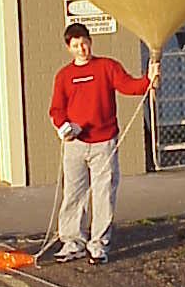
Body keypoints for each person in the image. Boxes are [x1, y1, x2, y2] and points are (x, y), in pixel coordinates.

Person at [49, 22, 160, 265]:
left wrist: (148, 80)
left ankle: (98, 244)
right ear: (69, 48)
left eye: (84, 43)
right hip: (75, 144)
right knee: (74, 194)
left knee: (103, 194)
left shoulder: (106, 67)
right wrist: (63, 127)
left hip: (104, 143)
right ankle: (72, 241)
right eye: (76, 45)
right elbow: (56, 109)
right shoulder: (64, 76)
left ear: (90, 41)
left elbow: (128, 85)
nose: (82, 49)